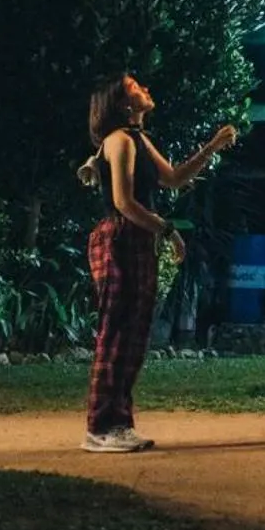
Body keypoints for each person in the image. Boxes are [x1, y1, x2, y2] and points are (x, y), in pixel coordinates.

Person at [77, 72, 236, 452]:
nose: (145, 88)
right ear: (122, 103)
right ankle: (100, 427)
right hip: (118, 237)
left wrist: (211, 147)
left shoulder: (139, 140)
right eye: (135, 87)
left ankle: (119, 423)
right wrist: (169, 229)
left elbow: (175, 178)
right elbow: (123, 202)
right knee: (117, 331)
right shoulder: (119, 141)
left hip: (137, 238)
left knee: (134, 335)